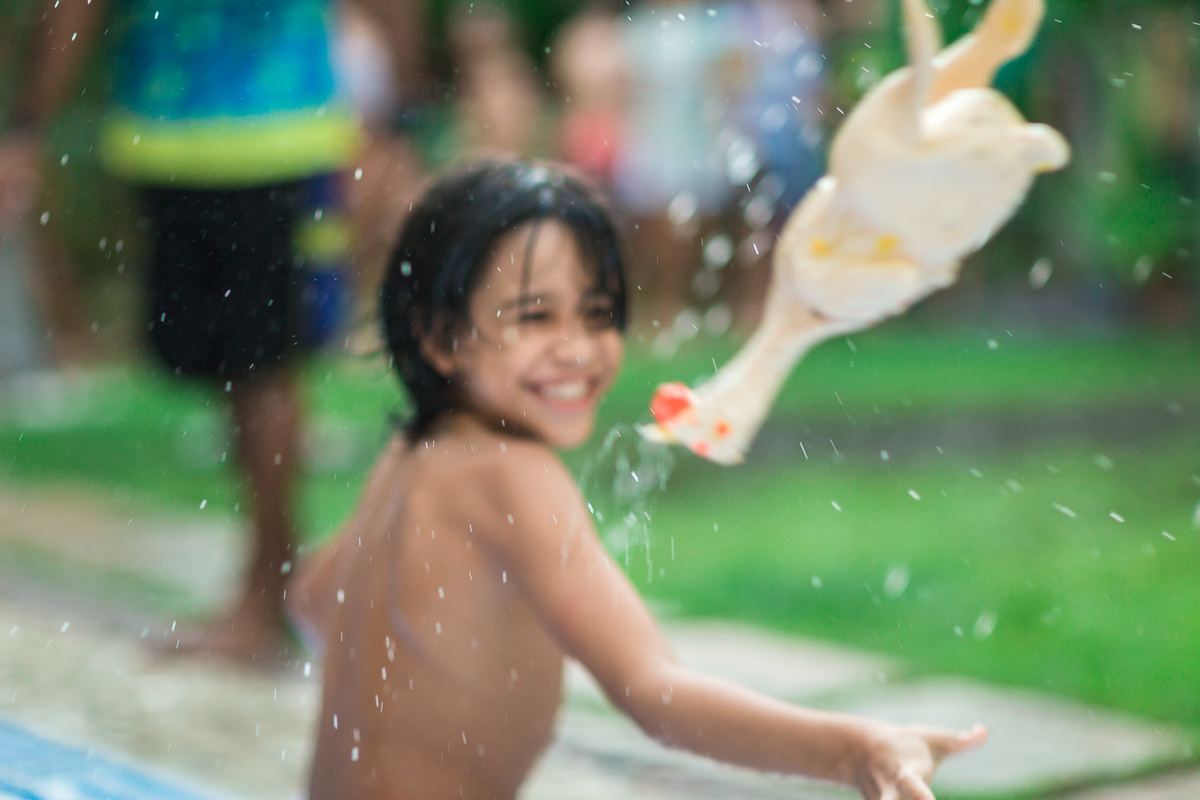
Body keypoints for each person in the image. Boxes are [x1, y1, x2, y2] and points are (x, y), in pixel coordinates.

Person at [289, 159, 987, 800]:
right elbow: (654, 693)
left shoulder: (414, 457)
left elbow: (315, 600)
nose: (576, 349)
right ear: (441, 337)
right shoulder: (512, 477)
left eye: (596, 315)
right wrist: (857, 751)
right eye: (535, 317)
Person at [3, 0, 424, 663]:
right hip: (216, 131)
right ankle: (267, 586)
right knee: (247, 369)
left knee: (261, 367)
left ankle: (270, 595)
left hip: (253, 130)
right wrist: (405, 108)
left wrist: (29, 125)